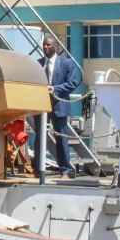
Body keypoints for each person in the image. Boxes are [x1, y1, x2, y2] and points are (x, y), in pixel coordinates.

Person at [37, 35, 81, 179]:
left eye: (48, 45)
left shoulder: (66, 63)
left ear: (56, 46)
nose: (45, 47)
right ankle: (37, 169)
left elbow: (72, 83)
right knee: (40, 137)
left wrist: (54, 89)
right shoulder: (38, 64)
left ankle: (66, 171)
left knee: (61, 138)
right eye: (44, 45)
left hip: (59, 105)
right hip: (41, 105)